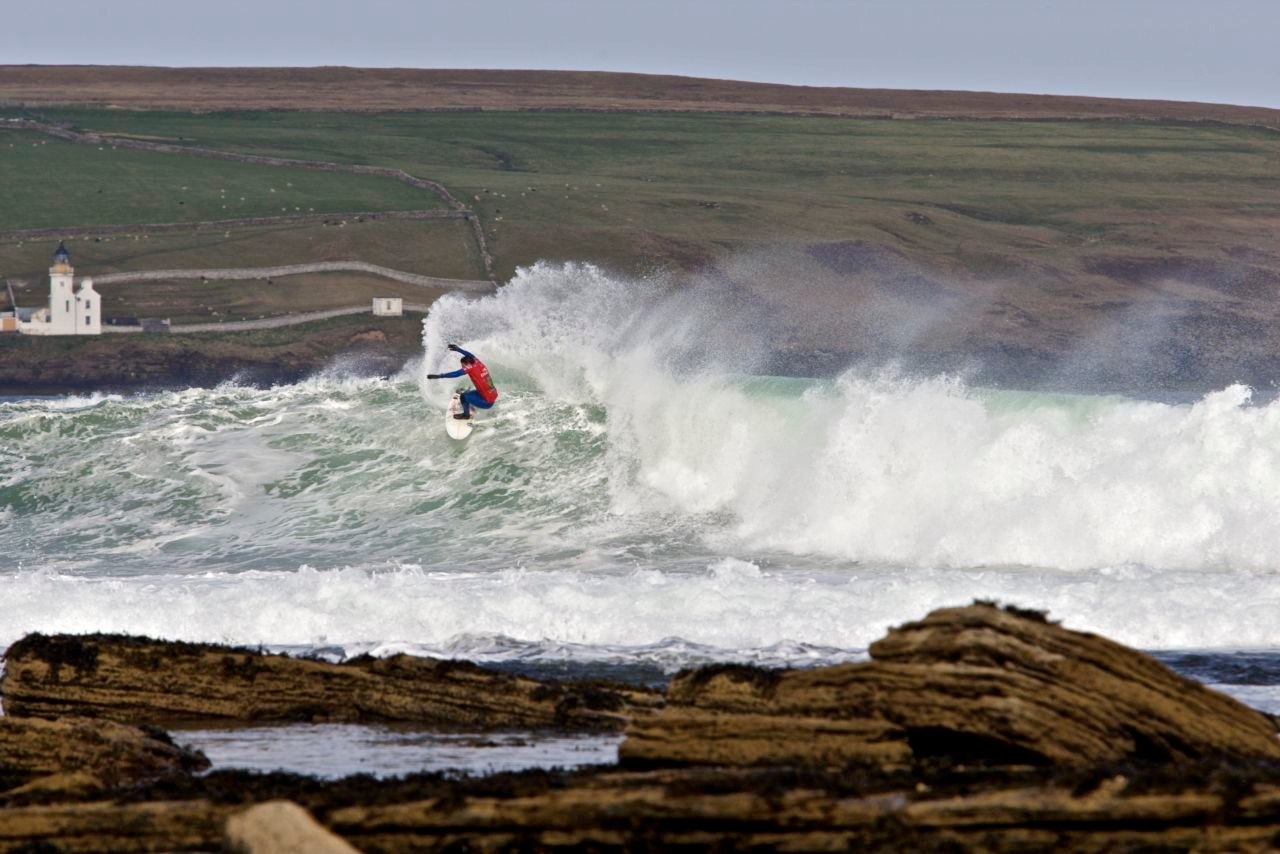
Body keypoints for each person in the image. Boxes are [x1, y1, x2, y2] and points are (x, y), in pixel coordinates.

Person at [427, 344, 499, 419]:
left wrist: (440, 376)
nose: (462, 367)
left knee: (463, 397)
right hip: (491, 395)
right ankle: (471, 401)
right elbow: (470, 355)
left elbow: (456, 374)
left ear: (466, 364)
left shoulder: (469, 368)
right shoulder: (477, 362)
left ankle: (466, 415)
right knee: (467, 392)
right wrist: (458, 349)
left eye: (463, 365)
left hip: (487, 402)